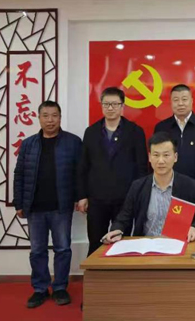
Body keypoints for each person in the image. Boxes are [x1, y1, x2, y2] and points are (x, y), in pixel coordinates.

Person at [102, 132, 195, 321]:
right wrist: (116, 229)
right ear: (149, 157)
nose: (161, 161)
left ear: (175, 157)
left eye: (166, 155)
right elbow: (124, 216)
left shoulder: (189, 185)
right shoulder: (138, 186)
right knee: (126, 289)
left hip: (177, 253)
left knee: (172, 292)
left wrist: (194, 227)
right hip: (144, 251)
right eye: (156, 155)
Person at [14, 100, 82, 308]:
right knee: (37, 251)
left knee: (63, 249)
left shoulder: (73, 142)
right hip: (35, 207)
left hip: (61, 206)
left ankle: (60, 287)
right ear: (39, 118)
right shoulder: (28, 144)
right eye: (45, 115)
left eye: (54, 116)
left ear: (60, 118)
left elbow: (80, 173)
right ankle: (40, 289)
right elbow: (19, 174)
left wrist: (81, 196)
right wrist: (19, 203)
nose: (50, 120)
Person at [77, 86, 148, 256]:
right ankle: (95, 273)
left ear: (122, 106)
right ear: (101, 105)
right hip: (97, 198)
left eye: (115, 104)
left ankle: (120, 273)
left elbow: (142, 167)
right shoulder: (91, 132)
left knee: (122, 243)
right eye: (106, 104)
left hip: (125, 198)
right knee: (95, 242)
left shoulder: (135, 131)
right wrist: (82, 196)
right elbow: (83, 166)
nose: (110, 108)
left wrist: (139, 196)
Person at [154, 84, 195, 199]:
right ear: (171, 103)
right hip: (168, 191)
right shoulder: (162, 128)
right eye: (176, 100)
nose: (180, 103)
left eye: (184, 99)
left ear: (191, 101)